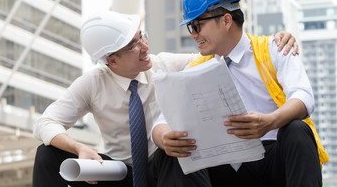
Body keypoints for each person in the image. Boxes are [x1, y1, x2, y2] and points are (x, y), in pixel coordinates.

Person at [32, 10, 298, 187]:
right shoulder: (92, 83)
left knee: (174, 150)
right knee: (47, 154)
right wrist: (79, 148)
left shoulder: (167, 65)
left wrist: (273, 43)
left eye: (141, 37)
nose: (145, 47)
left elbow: (224, 55)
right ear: (111, 60)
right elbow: (46, 123)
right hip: (118, 173)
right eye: (133, 46)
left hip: (163, 170)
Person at [152, 0, 328, 187]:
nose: (194, 35)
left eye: (197, 25)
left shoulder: (274, 49)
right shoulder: (195, 68)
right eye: (191, 27)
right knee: (172, 152)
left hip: (272, 160)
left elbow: (304, 96)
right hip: (224, 168)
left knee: (297, 130)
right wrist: (164, 138)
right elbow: (162, 120)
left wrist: (270, 121)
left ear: (226, 20)